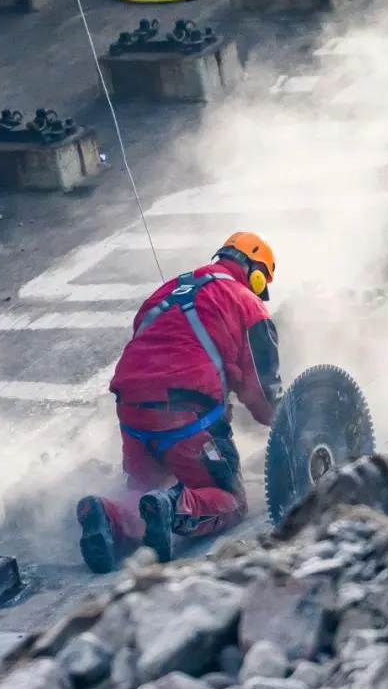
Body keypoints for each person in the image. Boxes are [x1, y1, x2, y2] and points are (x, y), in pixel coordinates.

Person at [75, 232, 284, 573]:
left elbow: (149, 341)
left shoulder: (168, 290)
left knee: (144, 494)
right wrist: (287, 419)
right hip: (184, 419)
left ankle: (106, 514)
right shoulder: (247, 302)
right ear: (255, 272)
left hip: (131, 414)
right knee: (229, 501)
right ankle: (174, 507)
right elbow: (263, 397)